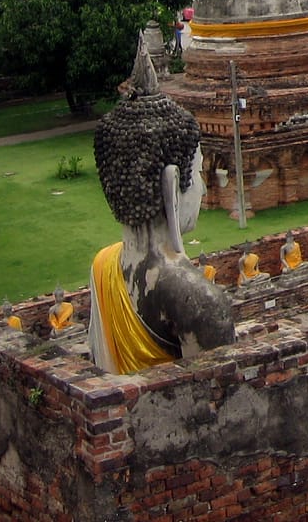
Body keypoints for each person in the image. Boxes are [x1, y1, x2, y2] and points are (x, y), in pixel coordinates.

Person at [88, 40, 235, 375]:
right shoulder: (197, 300)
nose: (201, 189)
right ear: (172, 185)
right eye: (197, 173)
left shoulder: (104, 265)